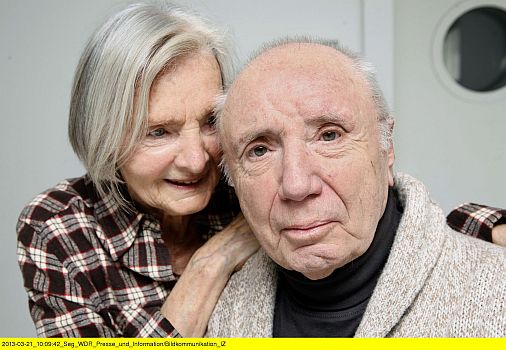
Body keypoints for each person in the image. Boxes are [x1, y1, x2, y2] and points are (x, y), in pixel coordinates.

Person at [205, 37, 506, 337]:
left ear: (386, 149)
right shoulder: (212, 313)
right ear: (232, 178)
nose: (296, 185)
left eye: (329, 136)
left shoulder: (496, 292)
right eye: (259, 150)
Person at [16, 2, 259, 337]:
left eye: (210, 121)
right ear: (104, 134)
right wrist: (213, 262)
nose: (197, 160)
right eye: (158, 131)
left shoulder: (254, 194)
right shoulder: (60, 225)